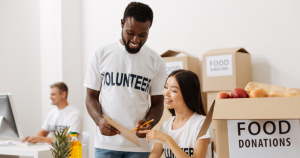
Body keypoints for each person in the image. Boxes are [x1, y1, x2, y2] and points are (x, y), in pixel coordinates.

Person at [84, 2, 167, 158]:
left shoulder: (156, 61)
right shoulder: (101, 54)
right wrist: (99, 121)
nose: (135, 39)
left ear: (149, 29)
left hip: (139, 147)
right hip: (106, 145)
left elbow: (158, 103)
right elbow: (90, 96)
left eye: (143, 35)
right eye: (130, 32)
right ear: (122, 23)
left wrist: (149, 123)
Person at [140, 70, 214, 158]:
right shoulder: (166, 126)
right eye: (166, 87)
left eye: (174, 90)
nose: (166, 93)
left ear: (188, 94)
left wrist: (167, 139)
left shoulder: (202, 124)